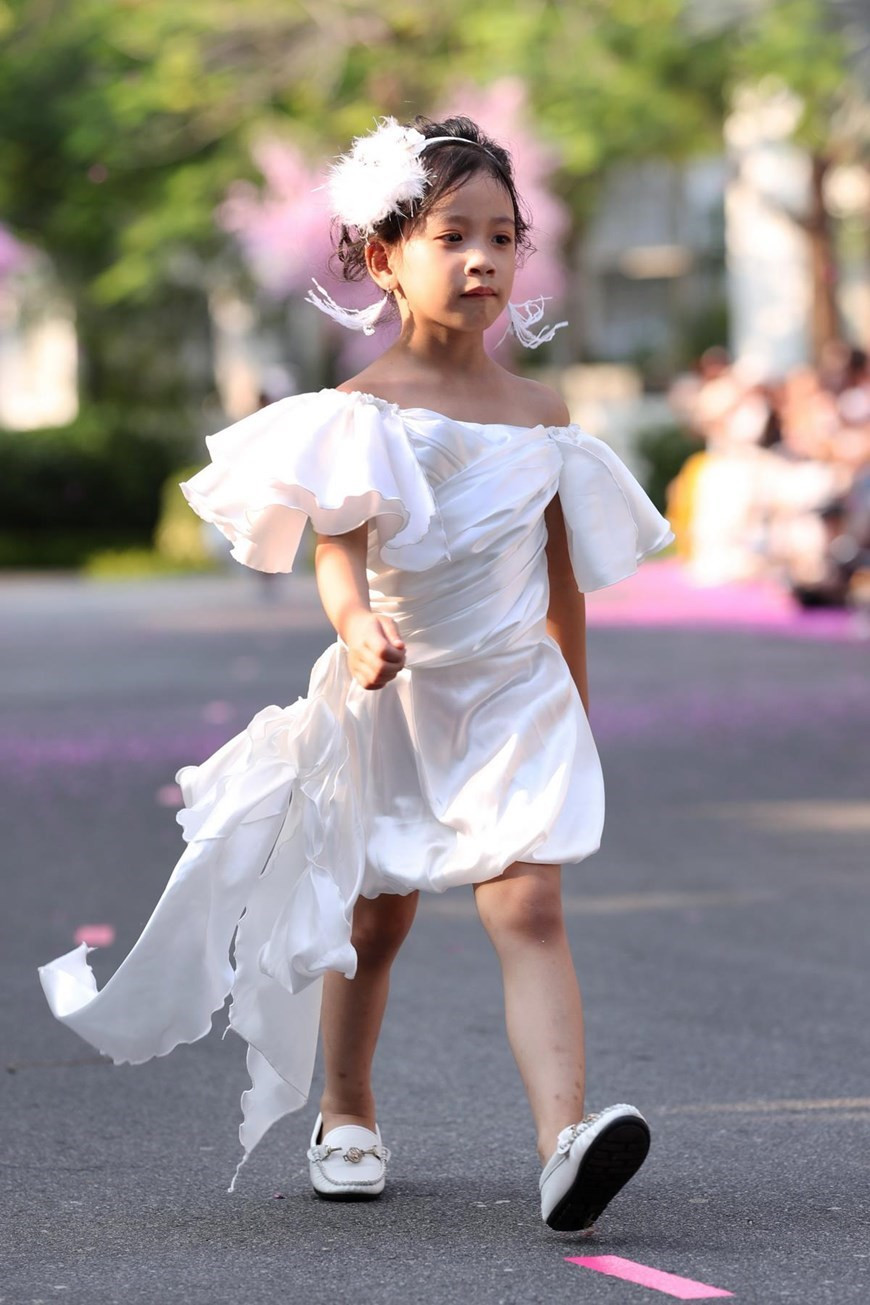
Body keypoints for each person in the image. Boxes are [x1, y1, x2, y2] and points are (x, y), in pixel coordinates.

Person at [39, 116, 673, 1232]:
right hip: (397, 695)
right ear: (384, 258)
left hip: (515, 694)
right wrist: (357, 628)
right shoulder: (362, 414)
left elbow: (561, 576)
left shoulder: (546, 415)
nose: (483, 260)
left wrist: (575, 693)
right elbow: (341, 554)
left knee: (528, 902)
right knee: (374, 922)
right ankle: (347, 1109)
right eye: (452, 236)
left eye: (504, 238)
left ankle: (562, 1140)